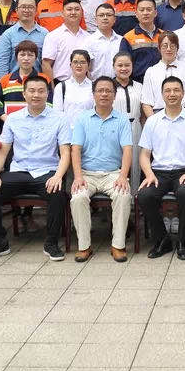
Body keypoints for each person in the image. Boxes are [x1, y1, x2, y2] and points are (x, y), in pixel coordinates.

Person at [0, 75, 71, 262]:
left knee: (58, 193)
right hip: (18, 172)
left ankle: (51, 243)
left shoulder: (60, 118)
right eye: (32, 91)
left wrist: (58, 176)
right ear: (24, 93)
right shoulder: (13, 119)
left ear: (47, 94)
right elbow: (2, 152)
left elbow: (65, 152)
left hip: (46, 171)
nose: (36, 95)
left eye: (41, 91)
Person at [138, 76, 185, 260]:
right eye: (168, 91)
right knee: (144, 195)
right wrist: (149, 174)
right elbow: (144, 155)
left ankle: (183, 240)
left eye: (176, 90)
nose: (172, 94)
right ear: (162, 94)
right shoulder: (153, 121)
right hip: (158, 173)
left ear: (183, 93)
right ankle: (163, 239)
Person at [69, 76, 134, 263]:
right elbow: (75, 149)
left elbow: (127, 150)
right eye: (100, 90)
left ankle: (118, 245)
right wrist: (78, 177)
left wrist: (123, 176)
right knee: (78, 197)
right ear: (94, 94)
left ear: (114, 95)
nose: (104, 94)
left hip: (113, 174)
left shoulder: (122, 120)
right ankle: (84, 246)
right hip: (86, 174)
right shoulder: (83, 119)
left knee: (123, 195)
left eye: (108, 91)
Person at [0, 40, 52, 127]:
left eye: (30, 55)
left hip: (38, 126)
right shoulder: (4, 80)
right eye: (22, 55)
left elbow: (50, 104)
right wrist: (8, 119)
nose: (26, 58)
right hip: (9, 127)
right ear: (16, 57)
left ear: (36, 58)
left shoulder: (44, 80)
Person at [141, 32, 185, 118]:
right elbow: (146, 103)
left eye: (172, 46)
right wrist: (154, 122)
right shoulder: (151, 71)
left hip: (183, 114)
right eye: (165, 46)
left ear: (177, 48)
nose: (168, 49)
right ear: (159, 48)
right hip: (158, 116)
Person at [110, 52, 144, 189]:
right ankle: (117, 192)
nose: (124, 68)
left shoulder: (139, 86)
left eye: (127, 65)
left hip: (135, 127)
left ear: (132, 66)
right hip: (114, 128)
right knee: (117, 162)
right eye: (120, 65)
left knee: (136, 162)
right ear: (114, 67)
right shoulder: (108, 86)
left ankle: (135, 195)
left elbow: (143, 112)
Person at [0, 0, 46, 76]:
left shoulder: (45, 34)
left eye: (30, 7)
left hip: (38, 81)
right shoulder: (8, 34)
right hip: (14, 82)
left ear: (36, 10)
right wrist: (3, 82)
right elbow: (2, 62)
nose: (26, 10)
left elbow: (47, 63)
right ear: (16, 10)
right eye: (23, 7)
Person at [42, 0, 89, 82]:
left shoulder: (88, 37)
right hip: (60, 83)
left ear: (82, 13)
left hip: (84, 84)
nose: (73, 12)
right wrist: (52, 87)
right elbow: (46, 64)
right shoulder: (53, 36)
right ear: (62, 13)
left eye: (77, 9)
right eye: (69, 9)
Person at [120, 0, 163, 84]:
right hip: (138, 84)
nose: (145, 13)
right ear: (136, 13)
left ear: (155, 13)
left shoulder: (164, 36)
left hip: (162, 83)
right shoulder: (128, 38)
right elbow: (124, 65)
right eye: (142, 10)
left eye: (149, 10)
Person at [53, 49, 96, 120]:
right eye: (75, 62)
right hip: (66, 127)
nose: (79, 65)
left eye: (82, 62)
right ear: (70, 65)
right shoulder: (61, 87)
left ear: (88, 65)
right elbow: (57, 114)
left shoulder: (94, 87)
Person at [84, 3, 123, 79]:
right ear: (96, 19)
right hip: (96, 84)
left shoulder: (121, 41)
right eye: (101, 15)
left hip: (118, 84)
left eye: (108, 15)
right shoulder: (88, 41)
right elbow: (85, 67)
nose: (105, 18)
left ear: (114, 19)